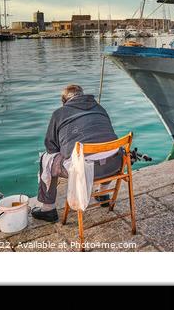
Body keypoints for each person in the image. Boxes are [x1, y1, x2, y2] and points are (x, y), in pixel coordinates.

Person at [32, 84, 123, 222]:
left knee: (46, 158)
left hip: (84, 169)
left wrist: (64, 149)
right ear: (83, 96)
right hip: (114, 166)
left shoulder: (59, 113)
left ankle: (48, 208)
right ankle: (103, 194)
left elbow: (50, 146)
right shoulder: (100, 108)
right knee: (105, 148)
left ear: (64, 101)